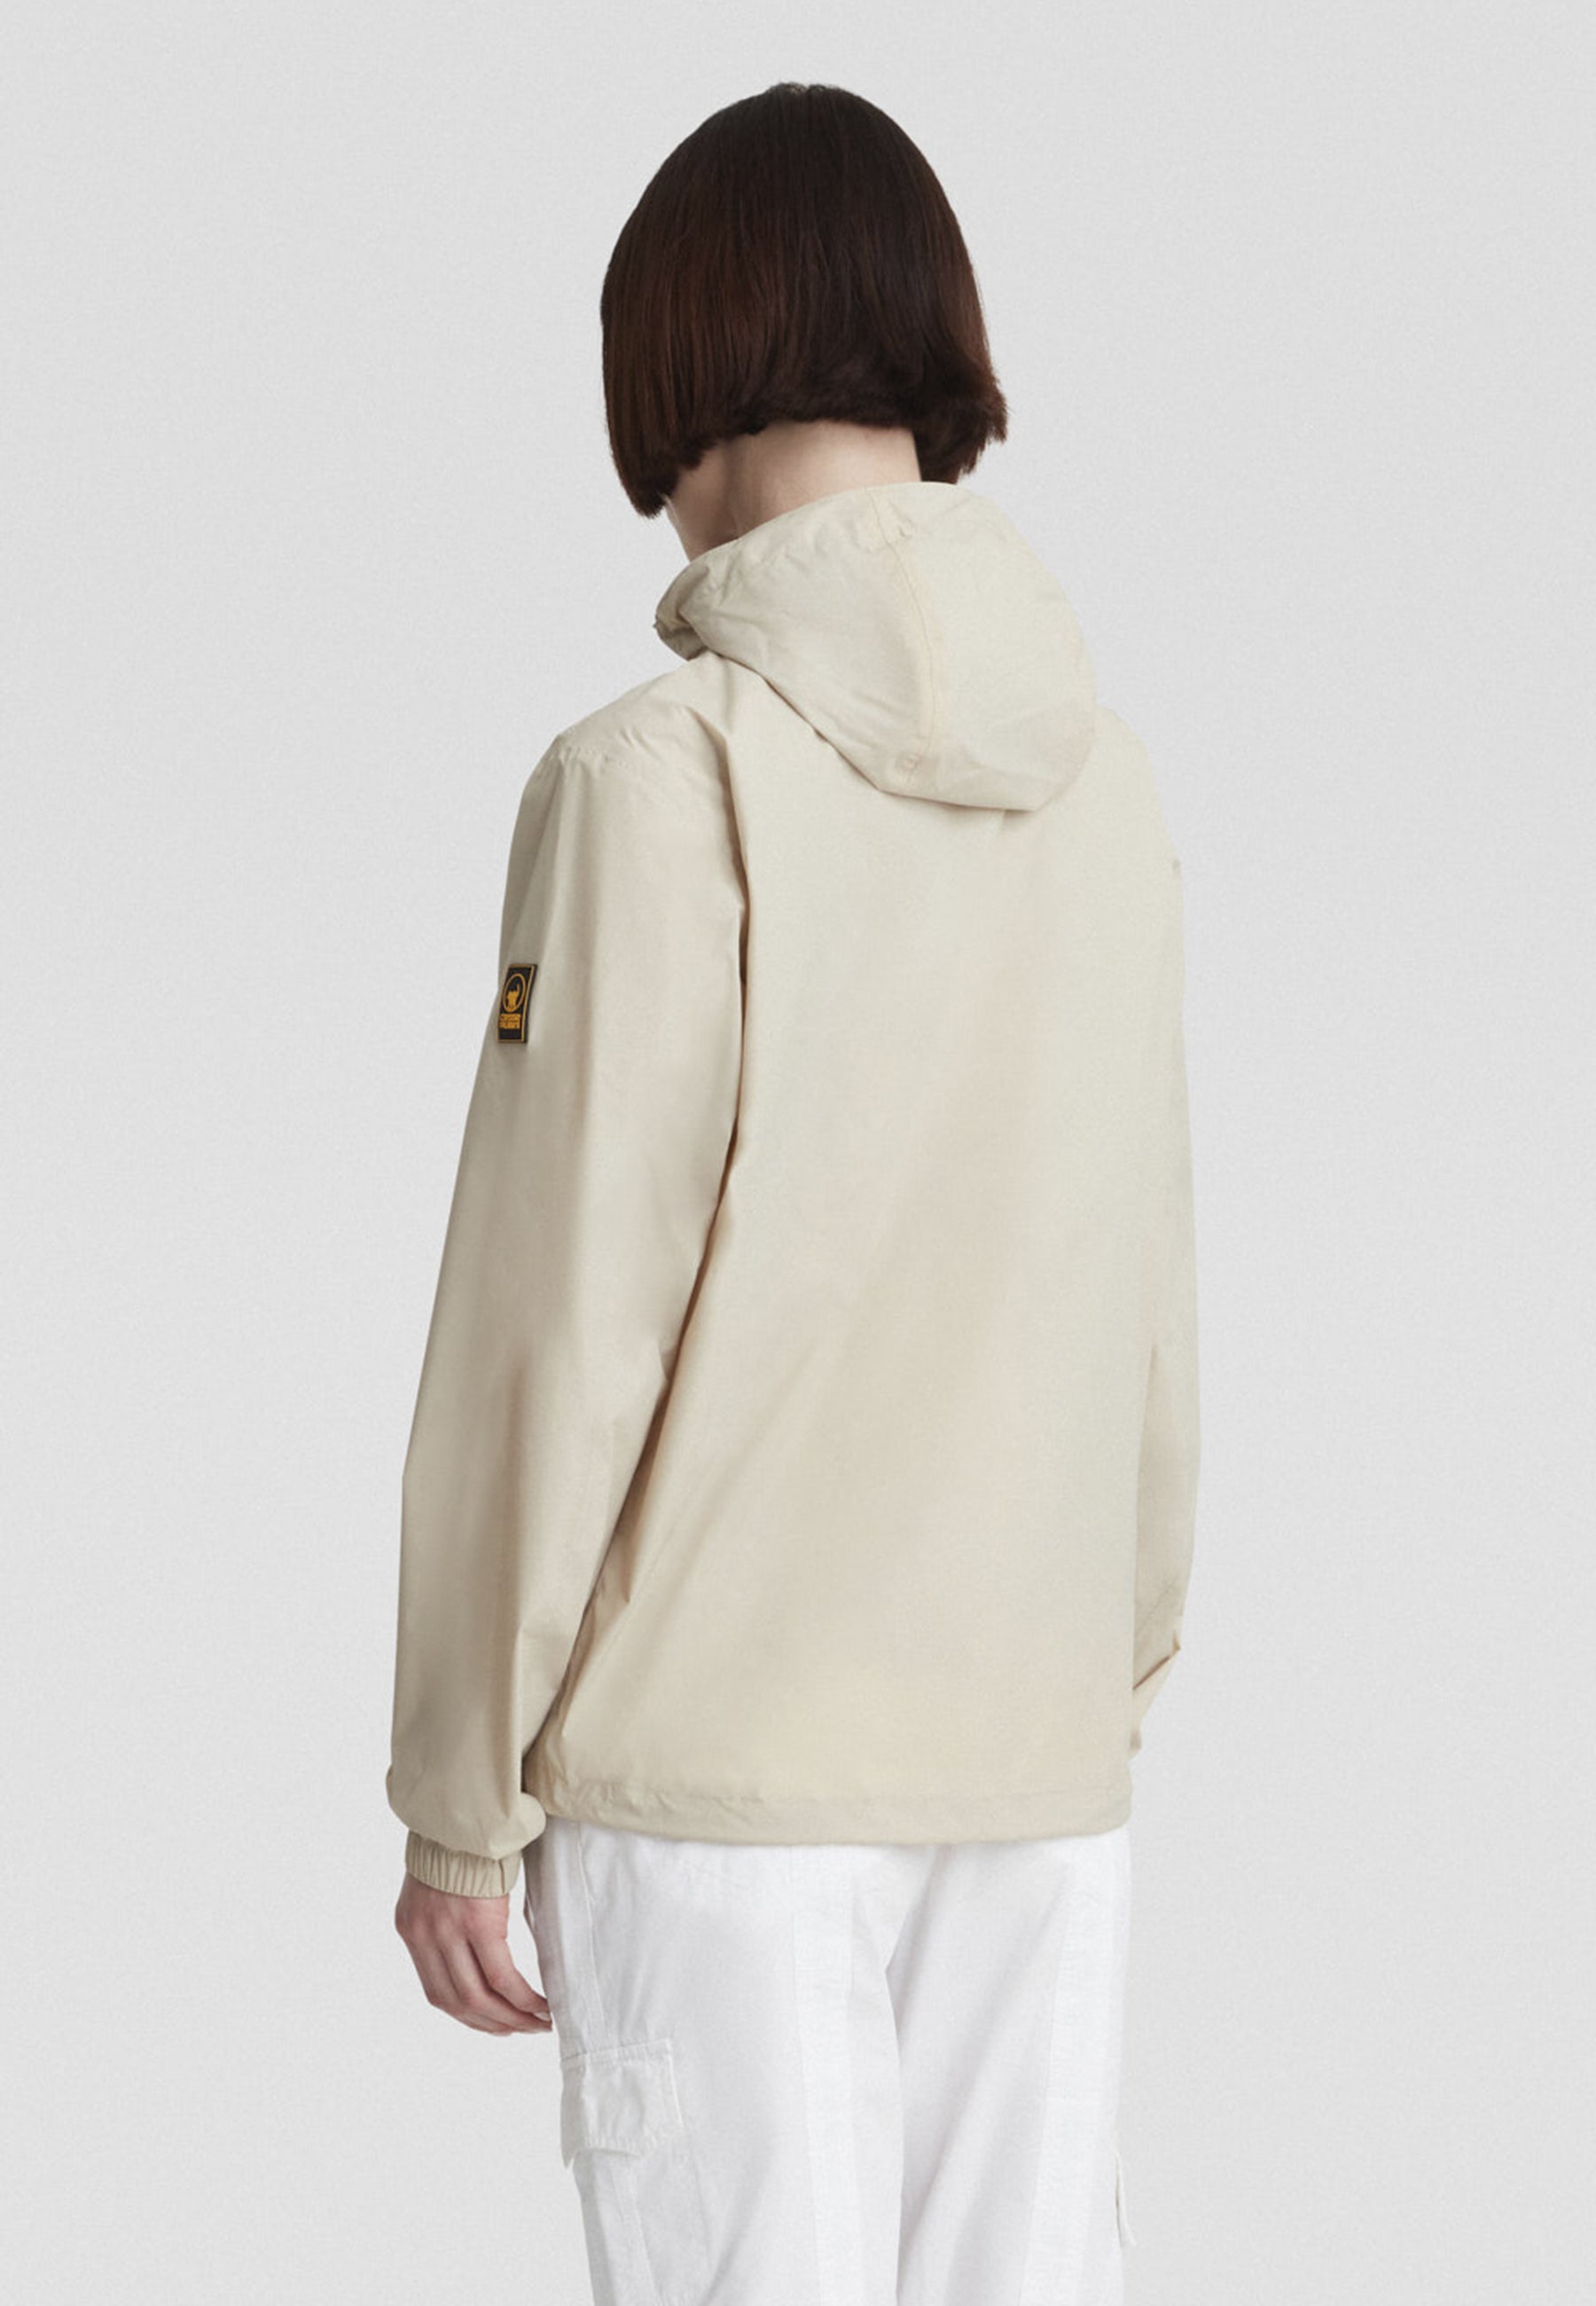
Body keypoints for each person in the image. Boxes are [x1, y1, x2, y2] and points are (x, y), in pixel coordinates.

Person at [387, 79, 1199, 2306]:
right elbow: (1147, 1298)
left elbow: (561, 1315)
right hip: (1036, 1777)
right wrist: (1089, 1679)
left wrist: (460, 1788)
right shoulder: (1106, 787)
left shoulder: (656, 779)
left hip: (722, 1791)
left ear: (680, 360)